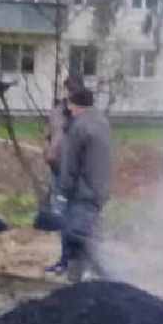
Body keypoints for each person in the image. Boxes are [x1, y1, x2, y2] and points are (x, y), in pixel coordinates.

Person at [59, 86, 113, 282]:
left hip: (82, 191)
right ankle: (81, 280)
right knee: (86, 232)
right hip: (100, 189)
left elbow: (69, 163)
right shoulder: (102, 122)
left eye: (69, 103)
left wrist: (64, 189)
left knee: (77, 236)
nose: (68, 108)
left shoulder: (78, 127)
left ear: (74, 104)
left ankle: (104, 277)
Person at [43, 74, 83, 276]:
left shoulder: (82, 114)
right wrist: (47, 151)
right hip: (57, 172)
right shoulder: (57, 112)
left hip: (75, 176)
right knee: (61, 218)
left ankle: (77, 262)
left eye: (72, 88)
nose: (68, 92)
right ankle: (64, 260)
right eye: (67, 88)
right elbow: (49, 135)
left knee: (76, 219)